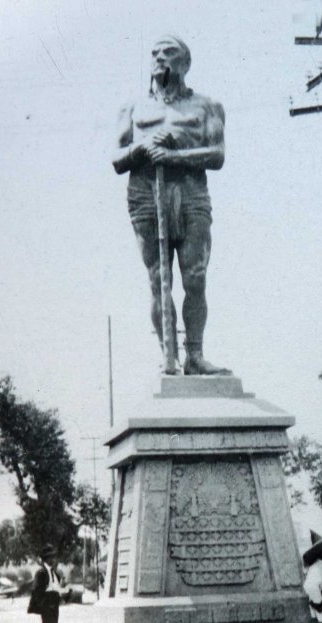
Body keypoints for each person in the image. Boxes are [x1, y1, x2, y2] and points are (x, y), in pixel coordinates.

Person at [112, 34, 230, 376]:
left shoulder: (207, 106)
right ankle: (170, 356)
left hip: (190, 192)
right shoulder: (133, 108)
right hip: (146, 194)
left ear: (185, 63)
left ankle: (194, 354)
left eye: (169, 52)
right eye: (155, 53)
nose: (160, 58)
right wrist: (143, 147)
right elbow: (117, 159)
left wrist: (175, 154)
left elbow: (218, 154)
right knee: (158, 279)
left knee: (195, 277)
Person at [28, 544, 63, 623]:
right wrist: (44, 605)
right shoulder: (42, 573)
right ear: (45, 559)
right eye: (50, 557)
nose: (52, 560)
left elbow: (56, 589)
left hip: (54, 607)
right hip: (48, 608)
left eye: (53, 557)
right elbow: (36, 591)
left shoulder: (54, 573)